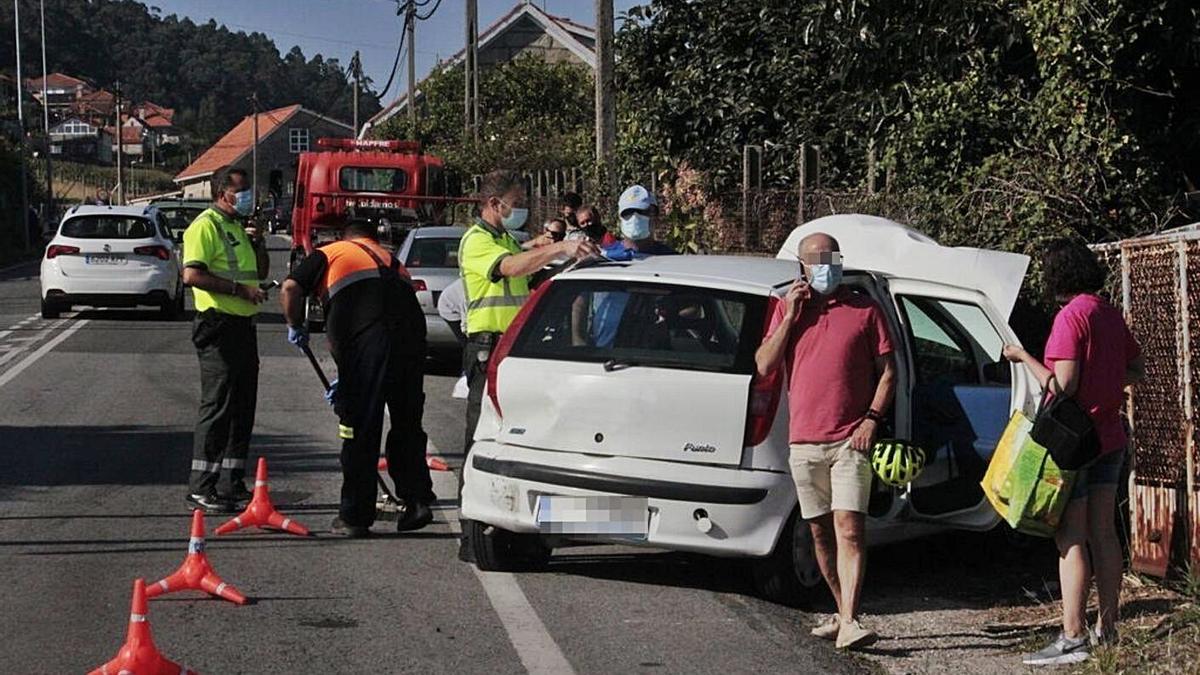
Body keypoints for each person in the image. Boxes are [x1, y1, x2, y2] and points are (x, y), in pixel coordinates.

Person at [1004, 239, 1143, 667]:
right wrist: (1107, 387)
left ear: (1055, 277)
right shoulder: (1108, 314)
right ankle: (1109, 626)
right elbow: (1136, 369)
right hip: (1110, 438)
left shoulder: (1070, 317)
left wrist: (1022, 356)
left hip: (1072, 443)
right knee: (1105, 532)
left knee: (1071, 535)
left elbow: (1061, 384)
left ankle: (1072, 636)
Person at [754, 232, 896, 651]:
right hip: (804, 442)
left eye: (831, 257)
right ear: (801, 267)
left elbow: (889, 372)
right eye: (816, 259)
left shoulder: (864, 309)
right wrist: (793, 312)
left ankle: (850, 619)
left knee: (849, 527)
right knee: (819, 533)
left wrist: (871, 419)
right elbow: (764, 364)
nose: (825, 266)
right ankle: (840, 611)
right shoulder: (788, 309)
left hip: (851, 440)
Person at [457, 170, 600, 561]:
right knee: (480, 441)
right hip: (487, 351)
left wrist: (553, 253)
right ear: (494, 204)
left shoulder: (504, 237)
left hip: (512, 352)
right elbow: (510, 268)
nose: (521, 210)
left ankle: (506, 526)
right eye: (517, 204)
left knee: (511, 438)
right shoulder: (477, 242)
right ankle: (472, 537)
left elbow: (525, 267)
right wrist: (559, 250)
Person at [281, 220, 434, 537]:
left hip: (368, 348)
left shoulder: (331, 252)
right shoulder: (393, 261)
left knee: (359, 430)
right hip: (411, 344)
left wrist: (296, 323)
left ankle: (355, 516)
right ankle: (416, 500)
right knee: (407, 425)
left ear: (344, 236)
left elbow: (290, 288)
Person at [180, 169, 270, 512]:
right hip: (218, 324)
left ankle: (232, 481)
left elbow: (260, 272)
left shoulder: (238, 227)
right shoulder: (206, 225)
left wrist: (258, 240)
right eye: (242, 191)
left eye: (249, 190)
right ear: (222, 193)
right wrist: (239, 290)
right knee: (217, 405)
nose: (248, 196)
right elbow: (192, 275)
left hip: (243, 323)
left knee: (242, 405)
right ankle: (201, 486)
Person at [602, 185, 675, 260]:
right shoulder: (605, 256)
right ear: (620, 217)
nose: (635, 216)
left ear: (656, 218)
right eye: (628, 212)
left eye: (642, 212)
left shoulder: (671, 258)